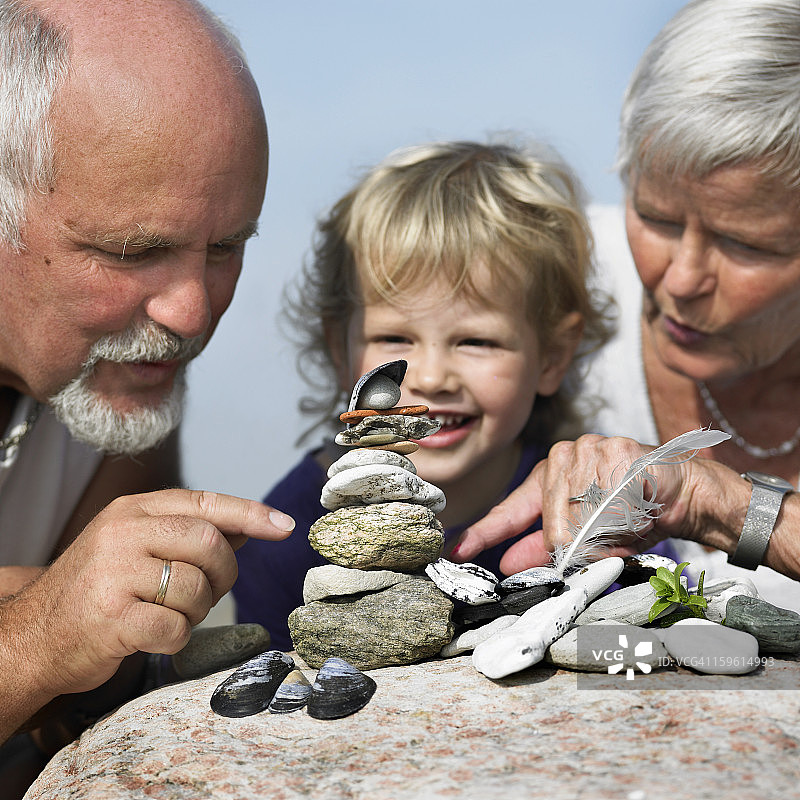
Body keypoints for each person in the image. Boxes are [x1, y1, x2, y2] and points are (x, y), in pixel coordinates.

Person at [0, 0, 295, 778]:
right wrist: (35, 637)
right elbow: (66, 631)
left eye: (226, 245)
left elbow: (104, 661)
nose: (191, 311)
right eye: (135, 251)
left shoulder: (119, 370)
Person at [453, 0, 800, 605]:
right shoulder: (556, 283)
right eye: (655, 217)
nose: (681, 279)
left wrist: (720, 504)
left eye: (744, 244)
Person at [233, 138, 615, 650]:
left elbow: (653, 654)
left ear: (552, 357)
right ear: (339, 348)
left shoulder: (587, 508)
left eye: (477, 340)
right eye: (394, 338)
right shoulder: (287, 537)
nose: (432, 377)